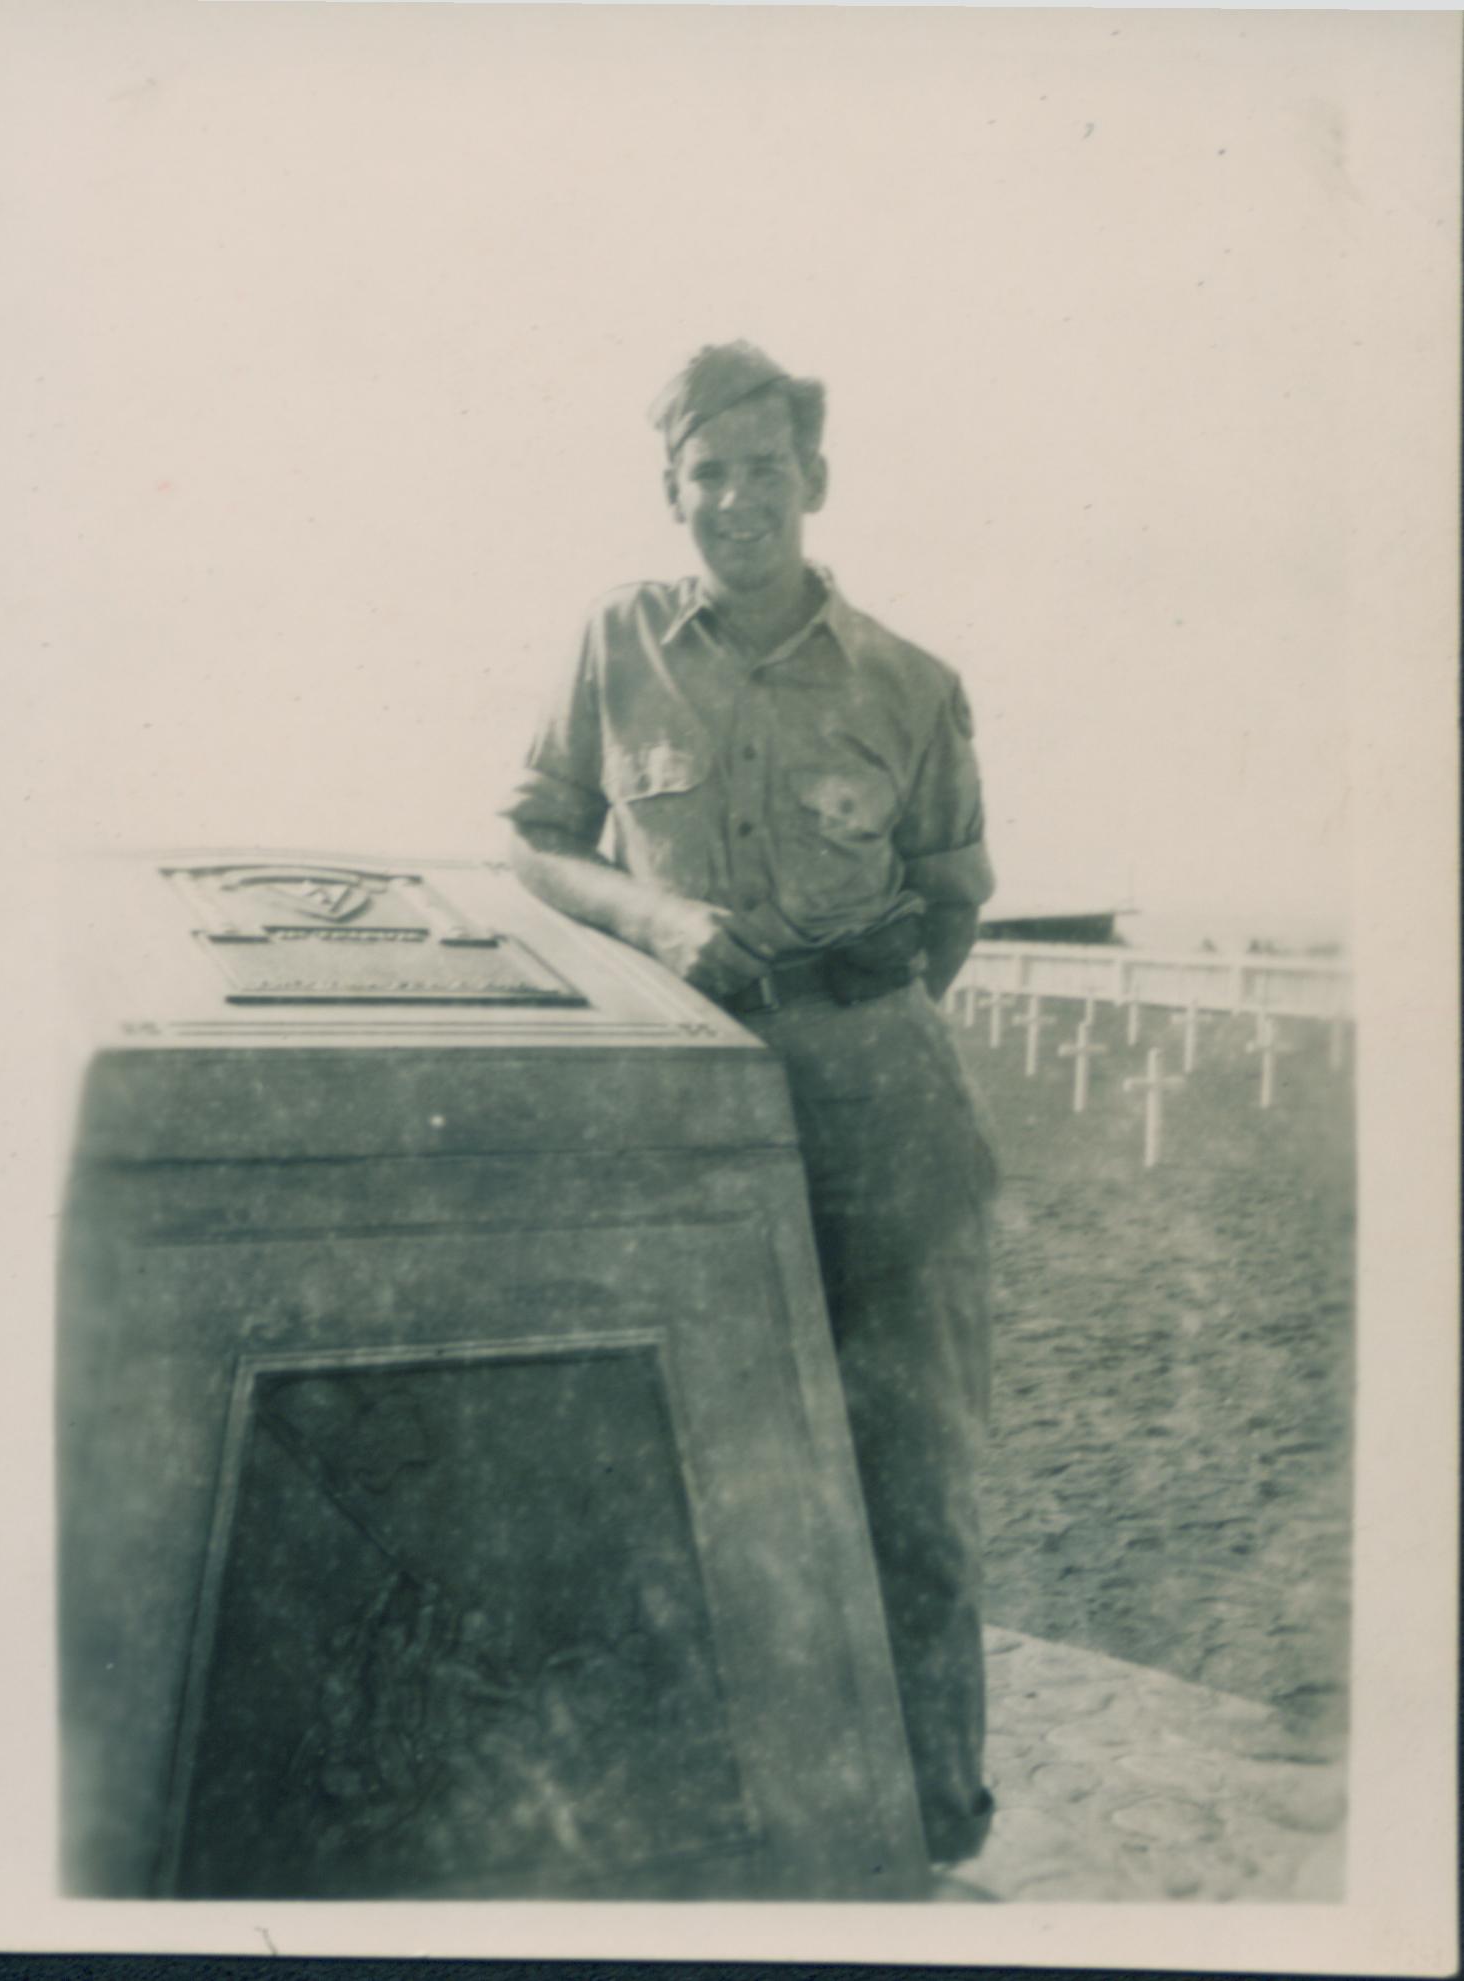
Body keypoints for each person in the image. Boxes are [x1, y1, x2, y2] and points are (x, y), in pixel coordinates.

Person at [501, 341, 999, 1871]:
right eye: (707, 473)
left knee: (911, 1467)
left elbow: (951, 896)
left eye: (764, 469)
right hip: (688, 1101)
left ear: (813, 481)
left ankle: (929, 1817)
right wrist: (657, 923)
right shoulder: (614, 644)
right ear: (672, 491)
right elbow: (534, 837)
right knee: (679, 1448)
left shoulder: (910, 682)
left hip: (882, 1105)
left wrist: (846, 1019)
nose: (736, 499)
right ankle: (710, 1794)